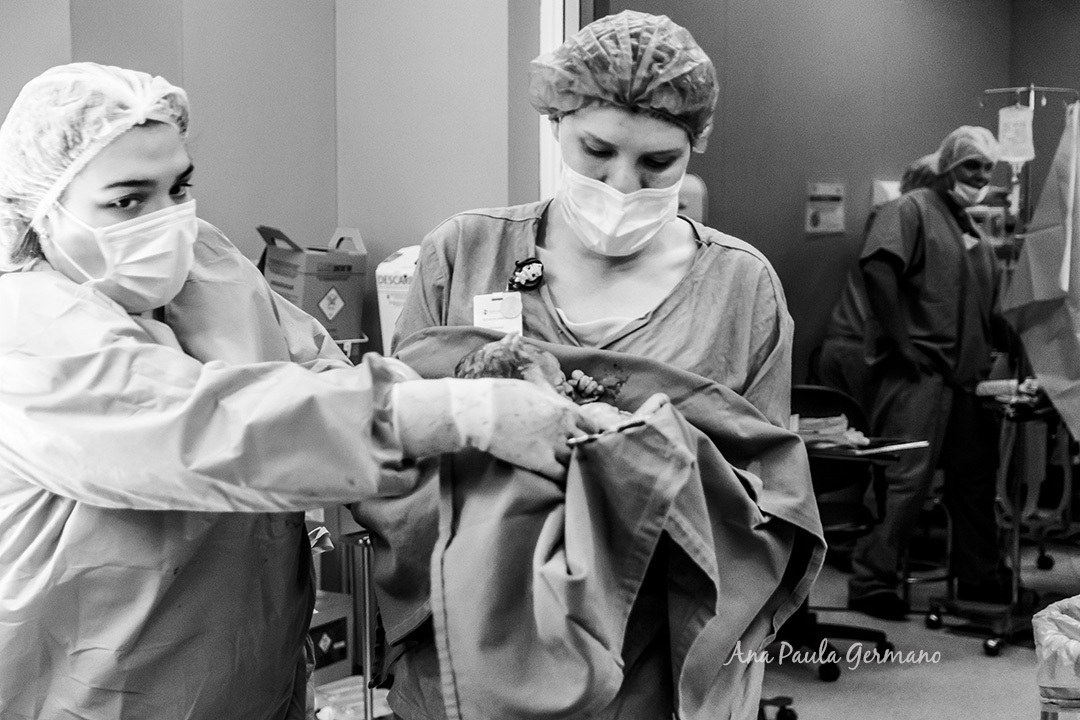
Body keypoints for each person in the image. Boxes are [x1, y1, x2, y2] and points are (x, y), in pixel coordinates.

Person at [0, 62, 590, 719]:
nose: (167, 220)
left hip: (256, 675)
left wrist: (454, 388)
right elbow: (213, 428)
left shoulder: (205, 262)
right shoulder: (24, 329)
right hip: (95, 693)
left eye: (180, 187)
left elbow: (317, 372)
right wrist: (453, 414)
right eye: (127, 200)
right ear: (40, 205)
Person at [375, 11, 824, 720]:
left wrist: (635, 450)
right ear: (556, 120)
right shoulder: (466, 252)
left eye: (657, 163)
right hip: (474, 644)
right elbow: (390, 450)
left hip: (650, 656)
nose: (621, 185)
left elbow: (766, 503)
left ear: (693, 148)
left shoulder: (741, 288)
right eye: (597, 151)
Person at [847, 126, 1012, 621]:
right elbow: (879, 268)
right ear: (946, 166)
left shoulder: (969, 229)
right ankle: (872, 581)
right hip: (918, 372)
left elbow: (985, 305)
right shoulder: (910, 209)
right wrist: (902, 344)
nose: (980, 176)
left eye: (987, 167)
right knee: (906, 482)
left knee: (975, 482)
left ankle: (979, 575)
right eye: (970, 167)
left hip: (966, 380)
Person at [813, 152, 940, 413]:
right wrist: (904, 346)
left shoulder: (888, 217)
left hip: (846, 345)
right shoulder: (899, 217)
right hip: (862, 351)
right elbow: (879, 275)